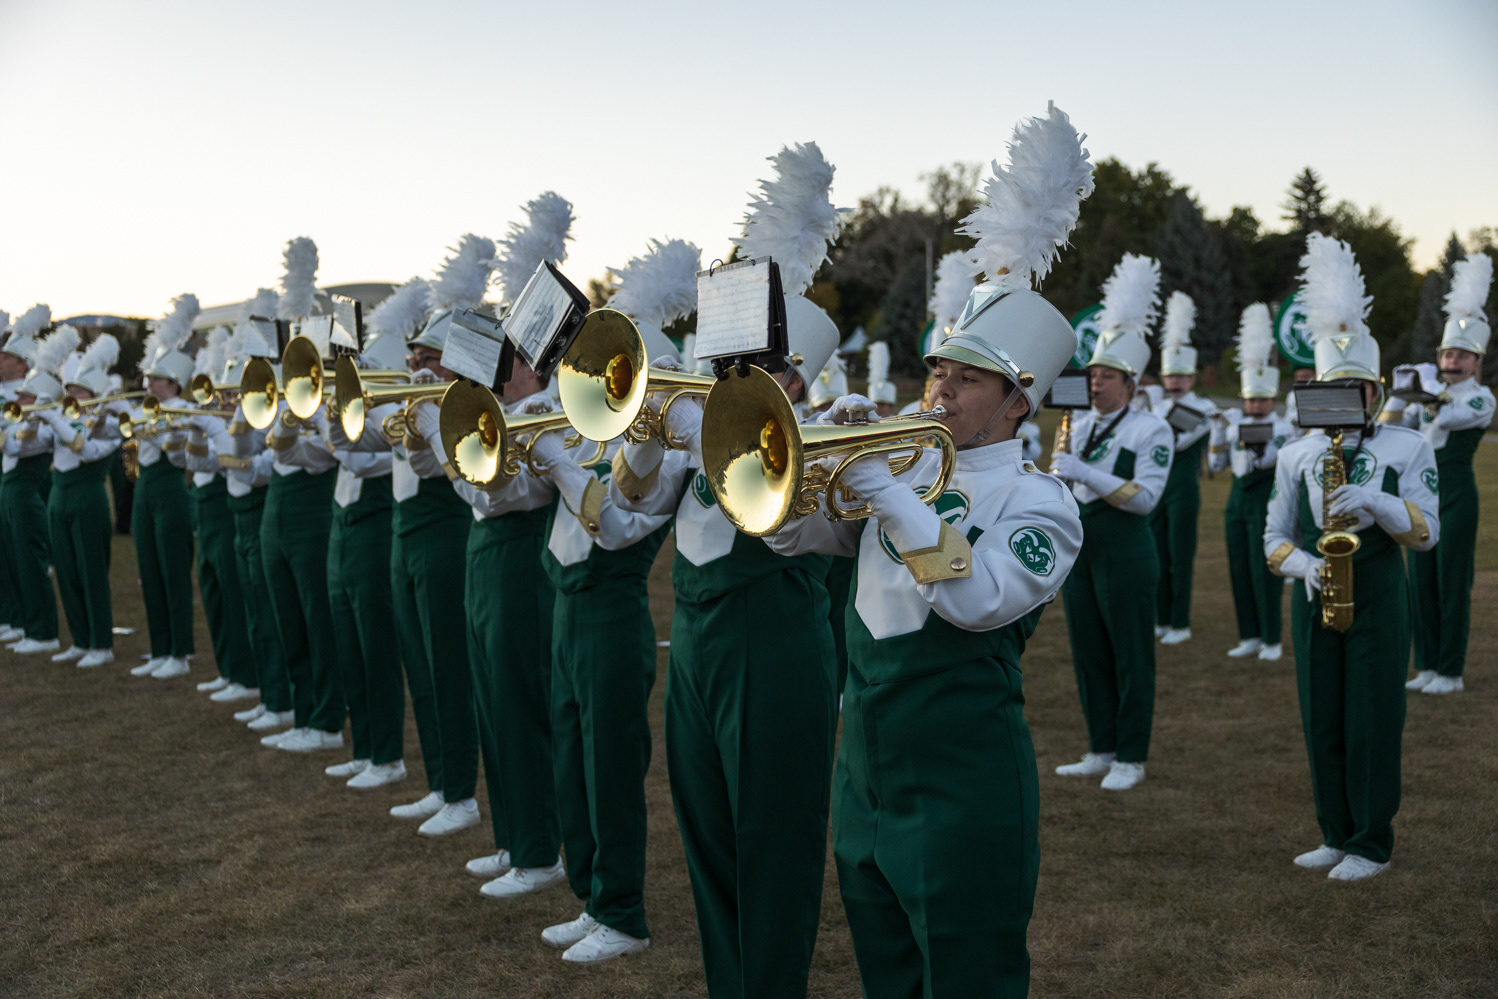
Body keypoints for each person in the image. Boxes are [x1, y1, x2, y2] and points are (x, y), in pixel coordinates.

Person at [762, 104, 1091, 999]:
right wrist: (789, 462)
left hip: (961, 780)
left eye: (967, 378)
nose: (940, 389)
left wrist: (885, 488)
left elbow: (977, 598)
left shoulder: (1042, 501)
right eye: (939, 369)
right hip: (865, 768)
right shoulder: (903, 461)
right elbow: (797, 533)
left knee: (969, 978)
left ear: (1018, 401)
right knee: (888, 976)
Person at [610, 213, 842, 992]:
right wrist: (646, 426)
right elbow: (633, 504)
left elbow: (793, 524)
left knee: (772, 841)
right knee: (706, 832)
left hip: (772, 642)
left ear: (796, 375)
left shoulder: (819, 432)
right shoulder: (701, 424)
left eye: (757, 362)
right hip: (699, 642)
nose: (731, 374)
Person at [1264, 232, 1439, 882]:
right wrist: (1302, 564)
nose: (1347, 401)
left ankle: (1372, 840)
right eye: (1333, 389)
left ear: (1377, 390)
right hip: (1315, 588)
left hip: (1378, 589)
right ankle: (1334, 830)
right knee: (1322, 713)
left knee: (1372, 715)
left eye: (1358, 389)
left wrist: (1380, 502)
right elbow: (1272, 537)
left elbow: (1428, 534)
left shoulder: (1406, 447)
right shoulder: (1294, 453)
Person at [529, 420, 671, 965]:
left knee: (609, 769)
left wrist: (559, 462)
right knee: (570, 762)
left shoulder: (663, 451)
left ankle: (623, 913)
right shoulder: (588, 432)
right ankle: (594, 896)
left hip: (611, 612)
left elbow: (612, 526)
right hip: (568, 607)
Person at [1051, 254, 1173, 792]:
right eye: (1093, 373)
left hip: (1126, 550)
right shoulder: (1079, 425)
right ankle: (1100, 747)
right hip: (1083, 549)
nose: (1095, 383)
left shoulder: (1152, 429)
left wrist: (1085, 471)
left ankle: (1132, 754)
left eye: (1106, 376)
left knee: (1131, 656)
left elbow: (1144, 499)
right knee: (1089, 652)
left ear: (1130, 381)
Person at [386, 305, 479, 835]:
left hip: (445, 536)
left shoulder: (467, 405)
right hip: (409, 537)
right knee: (419, 666)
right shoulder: (421, 402)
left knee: (447, 665)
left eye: (430, 356)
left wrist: (430, 416)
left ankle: (462, 792)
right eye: (414, 354)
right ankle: (441, 782)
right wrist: (415, 415)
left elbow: (448, 471)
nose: (418, 363)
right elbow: (413, 460)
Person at [1383, 253, 1494, 695]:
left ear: (1476, 361)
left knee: (1452, 581)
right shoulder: (1431, 393)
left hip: (1457, 495)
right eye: (1449, 352)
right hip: (1420, 496)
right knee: (1421, 582)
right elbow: (1392, 427)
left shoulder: (1481, 398)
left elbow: (1449, 417)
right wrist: (1402, 394)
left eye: (1463, 355)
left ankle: (1451, 670)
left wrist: (1426, 395)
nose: (1454, 361)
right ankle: (1426, 664)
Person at [1208, 304, 1294, 662]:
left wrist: (1255, 441)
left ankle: (1272, 637)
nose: (1256, 404)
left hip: (1266, 499)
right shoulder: (1233, 424)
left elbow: (1269, 462)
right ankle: (1250, 635)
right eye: (1251, 398)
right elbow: (1216, 464)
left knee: (1266, 568)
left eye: (1262, 399)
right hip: (1236, 500)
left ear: (1273, 400)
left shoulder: (1286, 427)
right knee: (1239, 567)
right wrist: (1217, 428)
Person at [37, 333, 122, 667]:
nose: (71, 394)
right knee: (67, 570)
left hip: (88, 498)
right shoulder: (64, 417)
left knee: (91, 571)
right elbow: (30, 444)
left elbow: (83, 448)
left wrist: (55, 419)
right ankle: (80, 638)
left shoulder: (110, 425)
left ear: (95, 395)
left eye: (79, 390)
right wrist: (34, 417)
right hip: (58, 496)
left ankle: (101, 644)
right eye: (69, 388)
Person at [179, 330, 256, 700]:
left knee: (235, 597)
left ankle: (244, 674)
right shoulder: (221, 425)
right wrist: (196, 430)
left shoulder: (246, 428)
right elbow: (195, 462)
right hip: (208, 513)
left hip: (229, 514)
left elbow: (237, 462)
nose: (224, 400)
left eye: (231, 394)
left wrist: (211, 427)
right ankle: (228, 669)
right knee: (214, 594)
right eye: (222, 393)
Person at [124, 300, 199, 678]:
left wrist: (163, 429)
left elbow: (181, 457)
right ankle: (159, 649)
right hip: (145, 492)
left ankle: (180, 652)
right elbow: (125, 435)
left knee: (172, 571)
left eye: (157, 379)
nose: (149, 383)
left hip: (171, 491)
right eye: (149, 378)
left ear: (174, 384)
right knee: (148, 570)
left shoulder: (185, 409)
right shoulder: (144, 408)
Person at [1140, 292, 1217, 645]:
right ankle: (1159, 617)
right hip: (1155, 485)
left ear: (1192, 378)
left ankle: (1181, 621)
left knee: (1181, 554)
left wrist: (1155, 408)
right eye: (1170, 375)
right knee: (1156, 552)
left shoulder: (1203, 407)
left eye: (1181, 376)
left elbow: (1174, 440)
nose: (1174, 382)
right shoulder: (1153, 404)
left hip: (1183, 485)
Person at [2, 322, 78, 655]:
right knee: (14, 557)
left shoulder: (41, 416)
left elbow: (18, 446)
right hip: (11, 485)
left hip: (26, 487)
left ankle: (43, 629)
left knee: (30, 560)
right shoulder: (23, 409)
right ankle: (24, 622)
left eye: (7, 357)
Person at [0, 305, 46, 644]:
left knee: (26, 555)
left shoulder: (31, 394)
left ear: (22, 364)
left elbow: (23, 440)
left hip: (25, 477)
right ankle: (13, 617)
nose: (0, 362)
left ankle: (37, 626)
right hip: (7, 477)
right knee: (5, 553)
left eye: (6, 357)